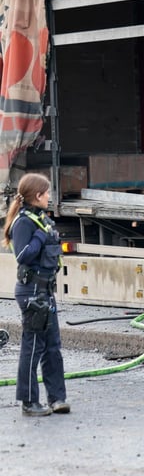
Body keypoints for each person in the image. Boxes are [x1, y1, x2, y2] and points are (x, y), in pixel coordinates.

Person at [3, 172, 69, 417]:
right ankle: (29, 402)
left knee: (52, 346)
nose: (49, 196)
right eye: (47, 193)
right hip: (31, 292)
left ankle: (57, 399)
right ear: (37, 195)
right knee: (33, 347)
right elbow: (23, 256)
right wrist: (41, 236)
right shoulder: (24, 223)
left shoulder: (41, 218)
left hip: (45, 291)